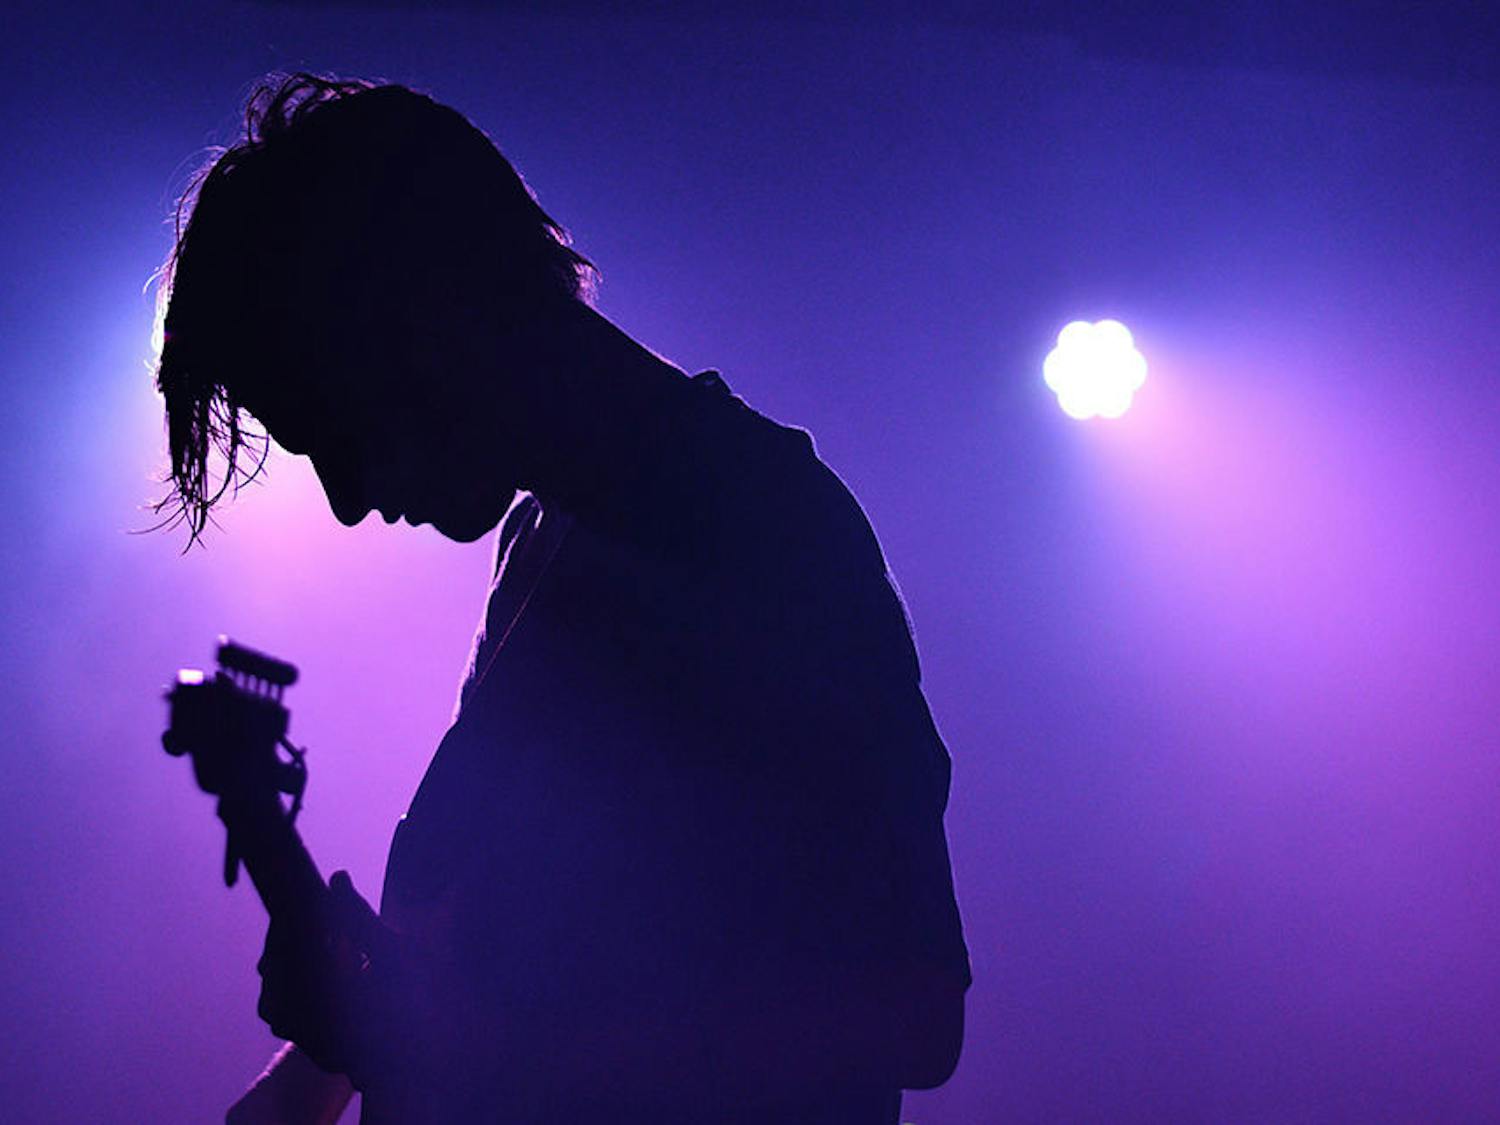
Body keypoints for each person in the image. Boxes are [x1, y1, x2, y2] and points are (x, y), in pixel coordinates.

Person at [153, 73, 969, 1125]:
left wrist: (438, 1030)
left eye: (333, 429)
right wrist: (332, 1056)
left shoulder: (763, 533)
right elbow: (499, 969)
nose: (349, 501)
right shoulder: (539, 543)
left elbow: (908, 1017)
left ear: (425, 324)